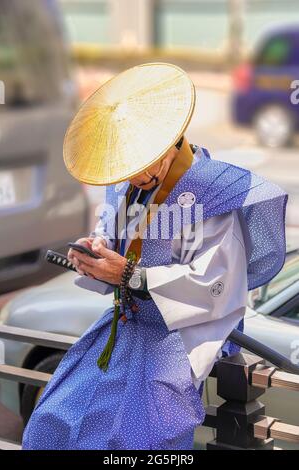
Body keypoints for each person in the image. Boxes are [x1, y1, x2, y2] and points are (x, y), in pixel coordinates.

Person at [22, 63, 287, 450]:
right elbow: (110, 236)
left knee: (141, 437)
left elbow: (217, 285)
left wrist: (130, 275)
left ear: (169, 141)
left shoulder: (210, 193)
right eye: (124, 169)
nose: (131, 178)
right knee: (51, 422)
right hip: (127, 325)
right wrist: (95, 253)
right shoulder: (127, 184)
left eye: (140, 165)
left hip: (181, 335)